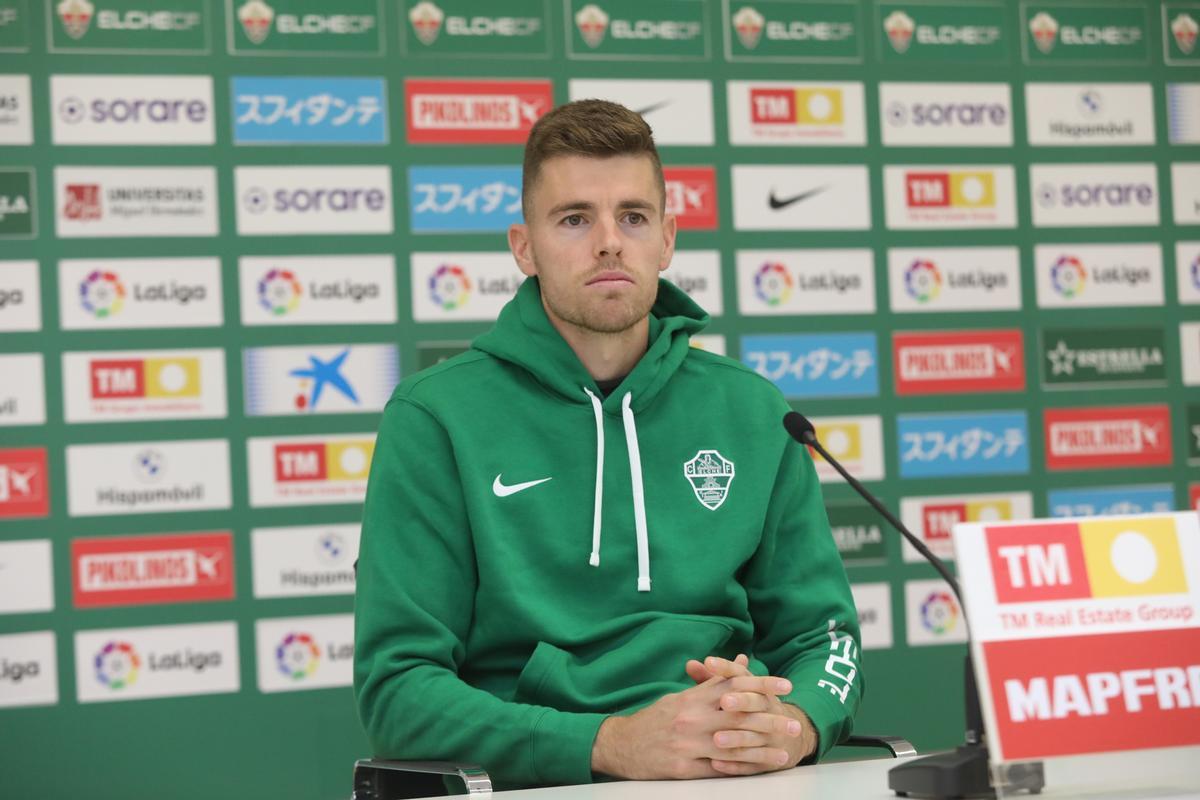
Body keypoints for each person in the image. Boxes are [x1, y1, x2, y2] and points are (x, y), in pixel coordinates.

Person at [353, 99, 862, 789]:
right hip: (544, 782)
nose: (609, 243)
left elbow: (825, 640)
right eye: (573, 219)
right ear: (523, 245)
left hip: (737, 779)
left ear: (667, 237)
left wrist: (793, 726)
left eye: (632, 216)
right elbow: (398, 693)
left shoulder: (753, 410)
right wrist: (610, 743)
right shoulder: (436, 417)